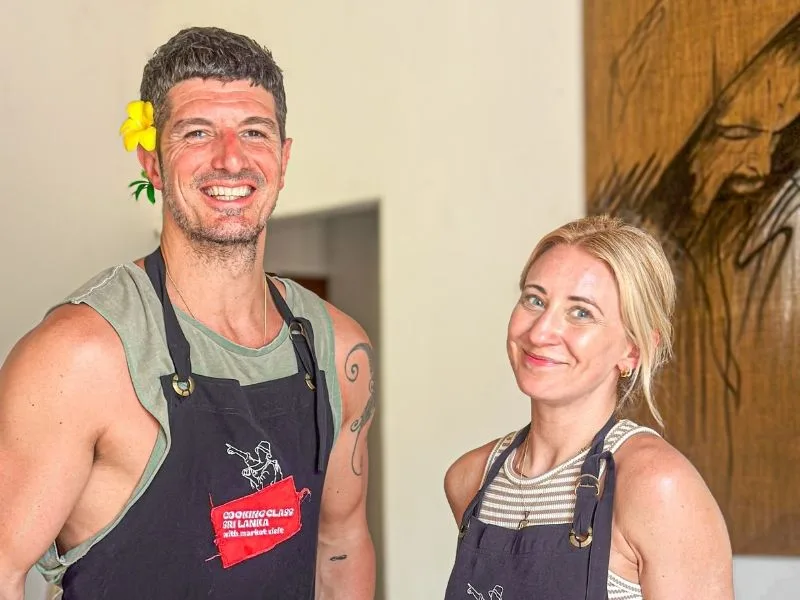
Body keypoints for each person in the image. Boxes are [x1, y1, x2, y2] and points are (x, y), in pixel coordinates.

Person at [0, 27, 375, 599]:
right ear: (152, 160)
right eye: (197, 133)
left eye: (255, 131)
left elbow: (340, 545)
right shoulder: (78, 357)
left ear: (284, 155)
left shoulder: (336, 347)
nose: (231, 158)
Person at [443, 215, 733, 599]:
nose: (540, 331)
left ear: (633, 349)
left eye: (581, 312)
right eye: (535, 299)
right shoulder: (471, 480)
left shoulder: (657, 487)